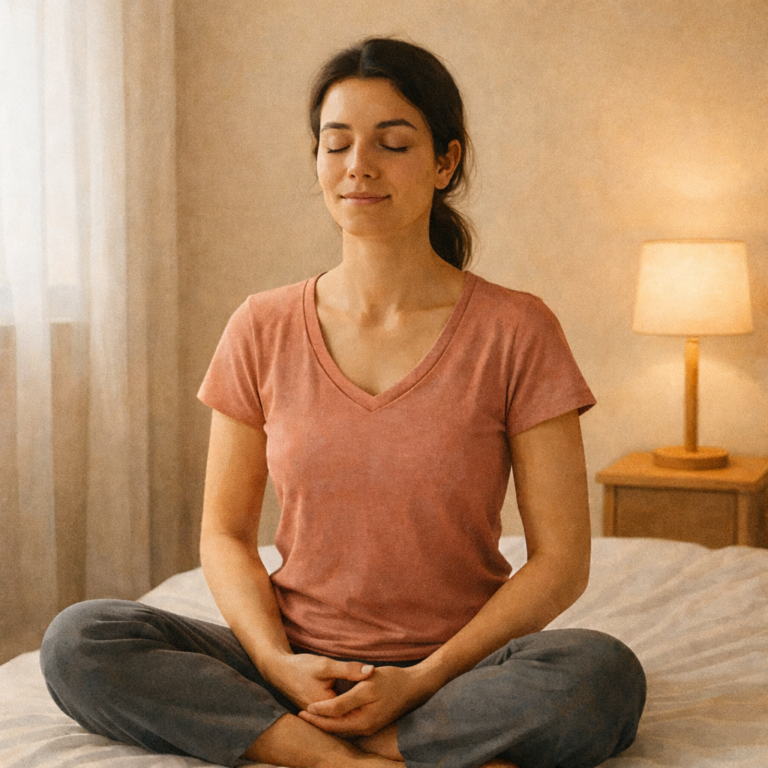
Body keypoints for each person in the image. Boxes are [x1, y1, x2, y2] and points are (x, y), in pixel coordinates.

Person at [40, 37, 645, 768]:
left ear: (445, 162)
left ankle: (357, 739)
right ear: (318, 160)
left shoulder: (517, 329)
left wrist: (423, 678)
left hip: (457, 669)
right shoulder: (260, 325)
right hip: (295, 667)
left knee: (601, 678)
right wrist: (273, 663)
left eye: (392, 143)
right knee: (81, 639)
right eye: (337, 144)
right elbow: (225, 535)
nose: (359, 165)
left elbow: (560, 561)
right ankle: (343, 757)